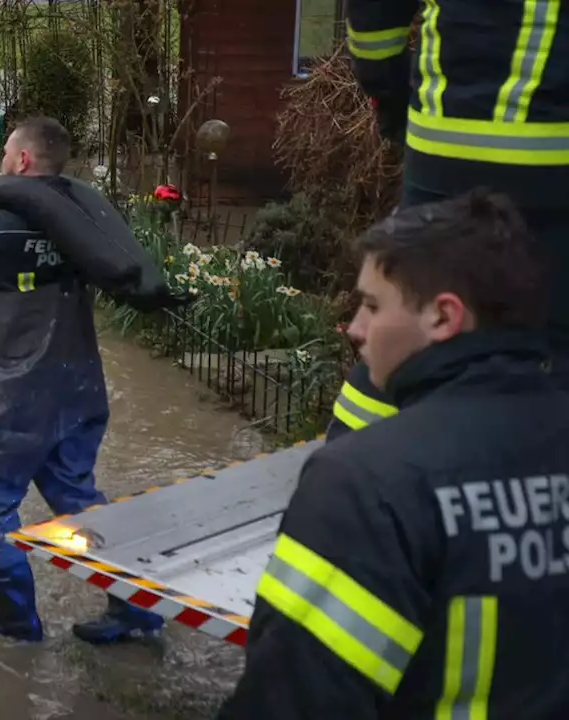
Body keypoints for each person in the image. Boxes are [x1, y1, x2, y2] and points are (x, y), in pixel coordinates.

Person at [218, 189, 569, 718]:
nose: (355, 329)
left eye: (373, 305)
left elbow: (294, 698)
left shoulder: (366, 484)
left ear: (443, 317)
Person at [0, 116, 168, 644]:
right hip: (76, 394)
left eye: (4, 154)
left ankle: (16, 618)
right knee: (76, 497)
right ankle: (136, 607)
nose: (0, 163)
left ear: (22, 162)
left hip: (6, 402)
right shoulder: (84, 223)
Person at [329, 0, 569, 439]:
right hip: (556, 171)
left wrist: (395, 103)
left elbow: (374, 20)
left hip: (446, 150)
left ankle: (346, 477)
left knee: (408, 321)